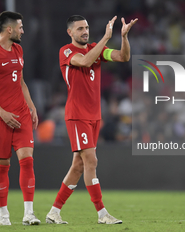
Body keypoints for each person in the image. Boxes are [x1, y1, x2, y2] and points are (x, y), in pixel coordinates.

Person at [46, 15, 137, 225]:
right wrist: (106, 37)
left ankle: (54, 212)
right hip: (77, 115)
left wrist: (123, 37)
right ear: (70, 32)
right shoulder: (67, 51)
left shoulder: (96, 49)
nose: (85, 31)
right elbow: (85, 61)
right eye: (80, 29)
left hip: (95, 116)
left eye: (86, 27)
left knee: (79, 165)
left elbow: (123, 57)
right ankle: (102, 214)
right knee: (91, 161)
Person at [0, 11, 40, 226]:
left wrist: (31, 106)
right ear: (9, 29)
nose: (23, 31)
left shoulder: (18, 50)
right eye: (20, 27)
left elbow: (21, 82)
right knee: (2, 164)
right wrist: (2, 113)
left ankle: (28, 214)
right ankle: (4, 215)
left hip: (21, 114)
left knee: (28, 161)